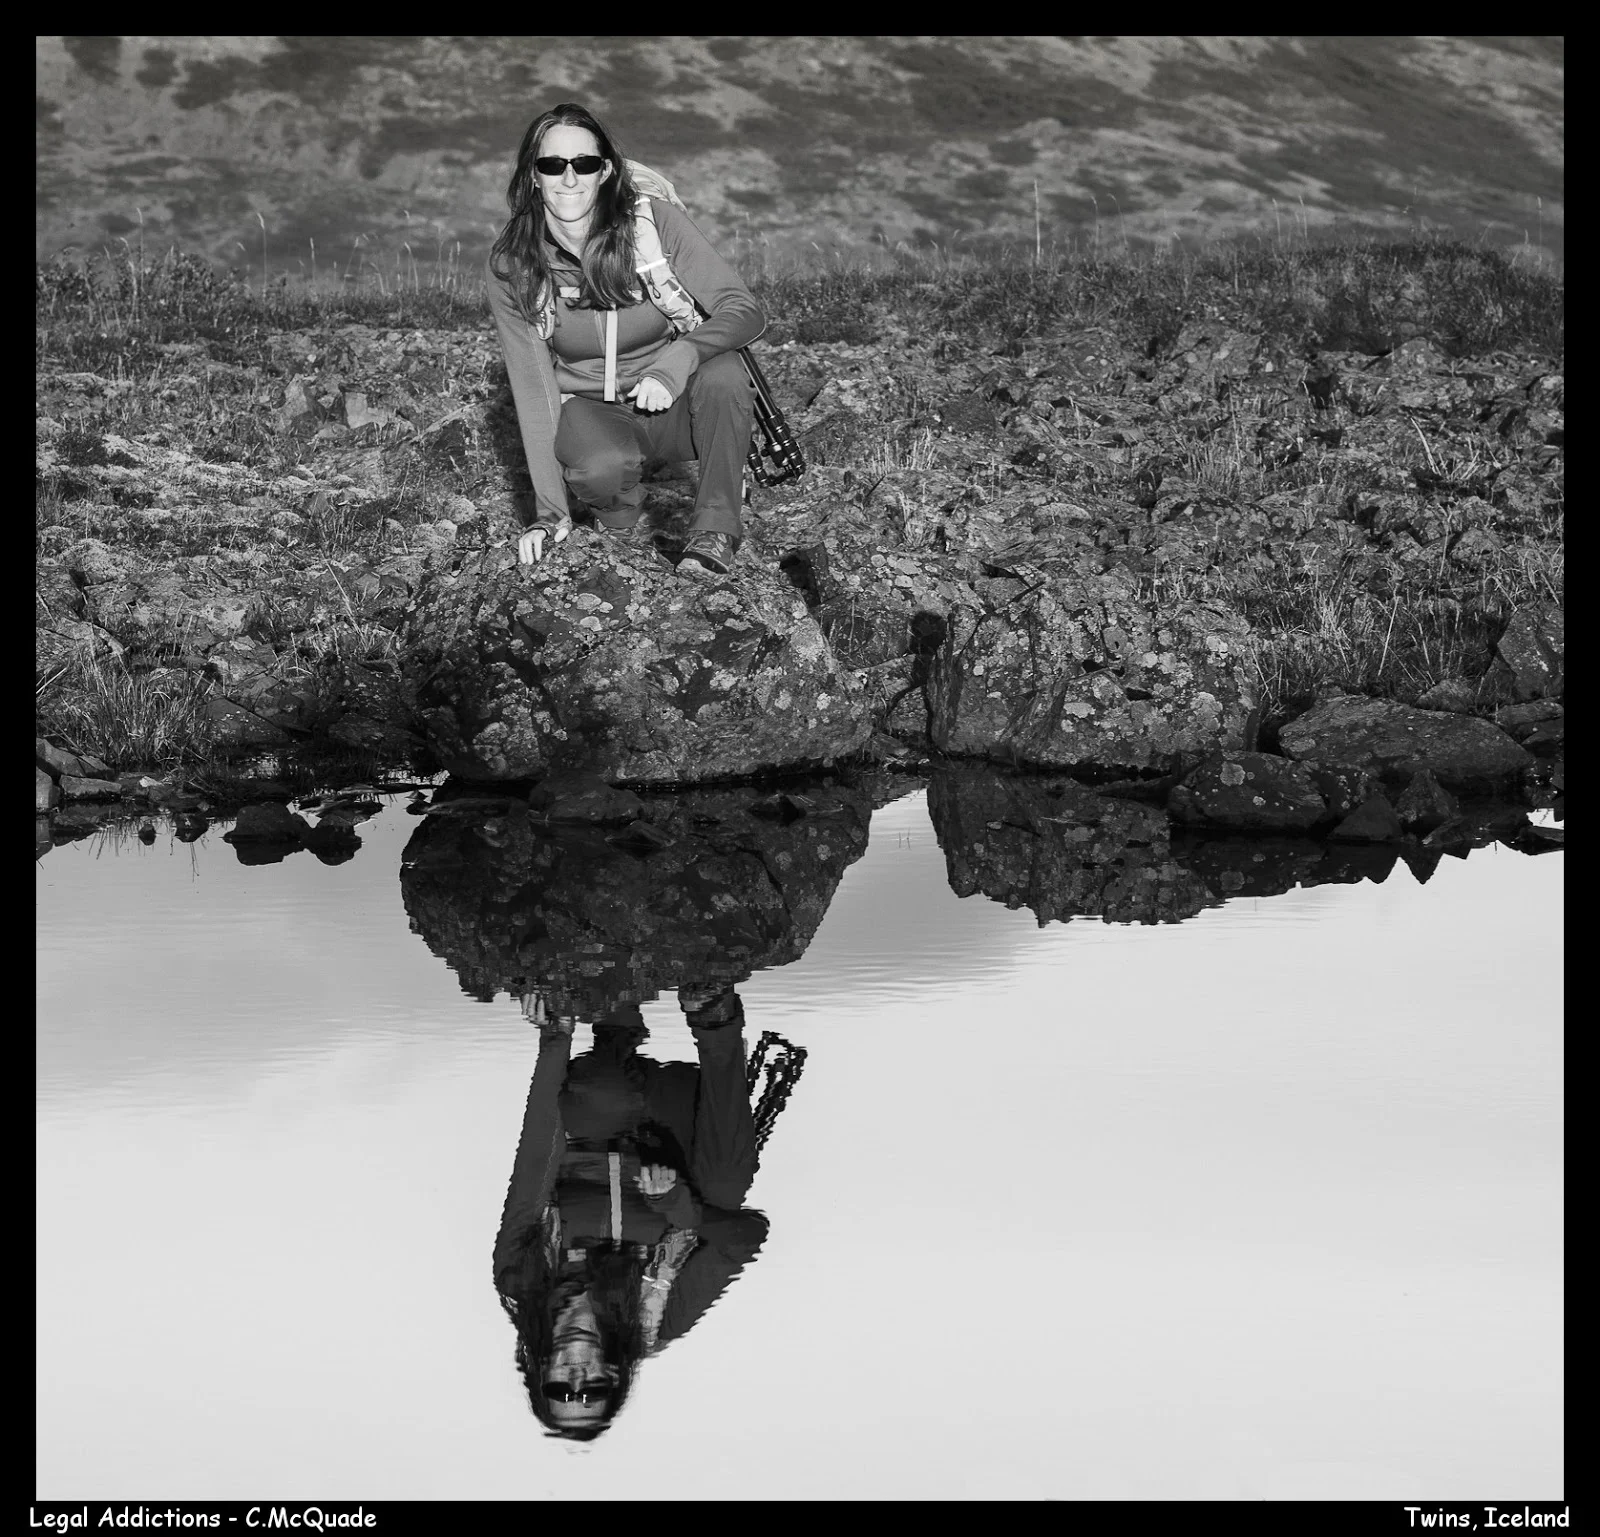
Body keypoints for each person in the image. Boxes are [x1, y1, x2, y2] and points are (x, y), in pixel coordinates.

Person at [487, 102, 765, 578]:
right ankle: (618, 523)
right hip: (594, 409)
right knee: (599, 468)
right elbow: (533, 389)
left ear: (606, 171)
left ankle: (716, 528)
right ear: (533, 175)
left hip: (675, 403)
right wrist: (550, 515)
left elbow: (743, 310)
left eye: (584, 163)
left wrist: (679, 359)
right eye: (552, 164)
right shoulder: (514, 263)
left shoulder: (653, 226)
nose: (569, 178)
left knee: (724, 375)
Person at [493, 986, 770, 1439]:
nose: (577, 1378)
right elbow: (747, 1236)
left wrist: (556, 1038)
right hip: (682, 1115)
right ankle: (713, 1016)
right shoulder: (660, 1322)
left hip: (598, 1109)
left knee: (600, 1094)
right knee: (726, 1189)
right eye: (592, 1390)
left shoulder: (522, 1282)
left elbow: (534, 1164)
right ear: (614, 1378)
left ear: (541, 1372)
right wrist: (681, 1209)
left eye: (561, 1390)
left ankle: (615, 997)